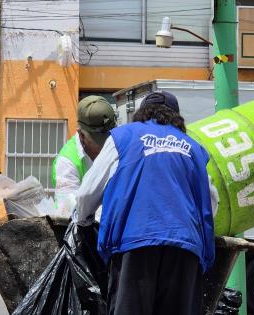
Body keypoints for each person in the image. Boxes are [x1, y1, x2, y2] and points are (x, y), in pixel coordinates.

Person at [74, 91, 216, 315]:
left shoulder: (123, 137)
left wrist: (83, 221)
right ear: (176, 117)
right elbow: (211, 202)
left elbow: (87, 193)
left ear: (141, 114)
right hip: (185, 250)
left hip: (135, 245)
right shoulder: (193, 148)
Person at [52, 95, 116, 195]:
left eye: (108, 139)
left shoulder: (118, 143)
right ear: (81, 135)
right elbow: (68, 207)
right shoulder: (67, 162)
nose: (104, 148)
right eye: (98, 142)